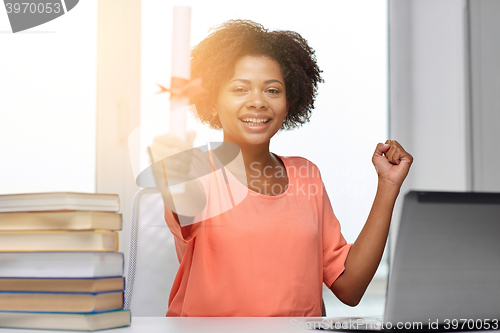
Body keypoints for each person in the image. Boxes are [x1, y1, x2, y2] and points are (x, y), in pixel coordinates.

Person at [149, 20, 413, 317]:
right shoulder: (195, 172)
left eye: (273, 91)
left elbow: (349, 287)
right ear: (212, 102)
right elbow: (184, 199)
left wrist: (388, 186)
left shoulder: (306, 175)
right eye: (240, 89)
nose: (258, 102)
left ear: (289, 103)